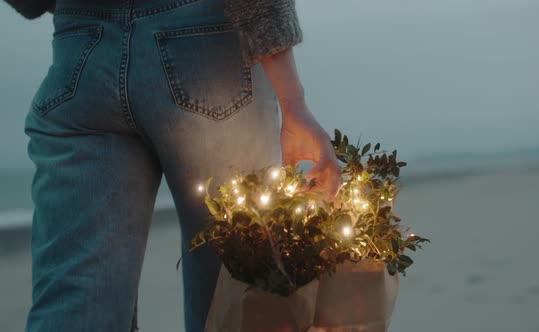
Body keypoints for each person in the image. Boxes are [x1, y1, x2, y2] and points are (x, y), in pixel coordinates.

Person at [5, 0, 341, 331]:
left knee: (76, 302)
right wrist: (293, 102)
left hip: (80, 50)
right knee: (235, 294)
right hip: (205, 44)